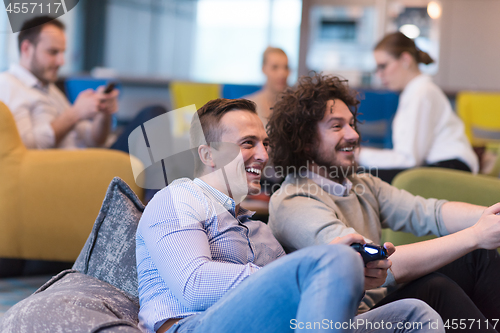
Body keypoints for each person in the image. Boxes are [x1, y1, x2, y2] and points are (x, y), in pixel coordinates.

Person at [136, 98, 444, 333]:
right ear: (208, 154)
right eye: (248, 143)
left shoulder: (259, 228)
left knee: (416, 315)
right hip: (192, 325)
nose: (264, 154)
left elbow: (296, 300)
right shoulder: (177, 198)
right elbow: (193, 285)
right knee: (332, 257)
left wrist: (352, 278)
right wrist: (317, 267)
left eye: (265, 143)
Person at [267, 72, 500, 333]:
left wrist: (491, 218)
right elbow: (377, 267)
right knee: (437, 288)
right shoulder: (293, 201)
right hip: (345, 322)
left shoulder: (361, 184)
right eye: (337, 126)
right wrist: (475, 235)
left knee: (476, 257)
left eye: (352, 123)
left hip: (380, 303)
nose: (353, 134)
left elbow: (430, 213)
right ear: (305, 142)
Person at [0, 16, 166, 152]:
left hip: (88, 159)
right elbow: (24, 147)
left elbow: (94, 139)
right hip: (72, 168)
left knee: (154, 121)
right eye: (53, 52)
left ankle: (168, 191)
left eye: (63, 52)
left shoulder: (49, 89)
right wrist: (75, 113)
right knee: (153, 115)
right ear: (26, 48)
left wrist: (103, 114)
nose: (61, 61)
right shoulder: (8, 85)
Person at [358, 32, 478, 183]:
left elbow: (409, 159)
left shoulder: (422, 92)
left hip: (452, 169)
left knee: (361, 178)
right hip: (440, 166)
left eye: (383, 66)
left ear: (405, 59)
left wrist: (358, 154)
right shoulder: (414, 92)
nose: (379, 74)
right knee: (361, 177)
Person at [245, 47, 290, 128]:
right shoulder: (248, 107)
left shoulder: (295, 107)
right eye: (275, 67)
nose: (282, 74)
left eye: (286, 67)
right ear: (263, 69)